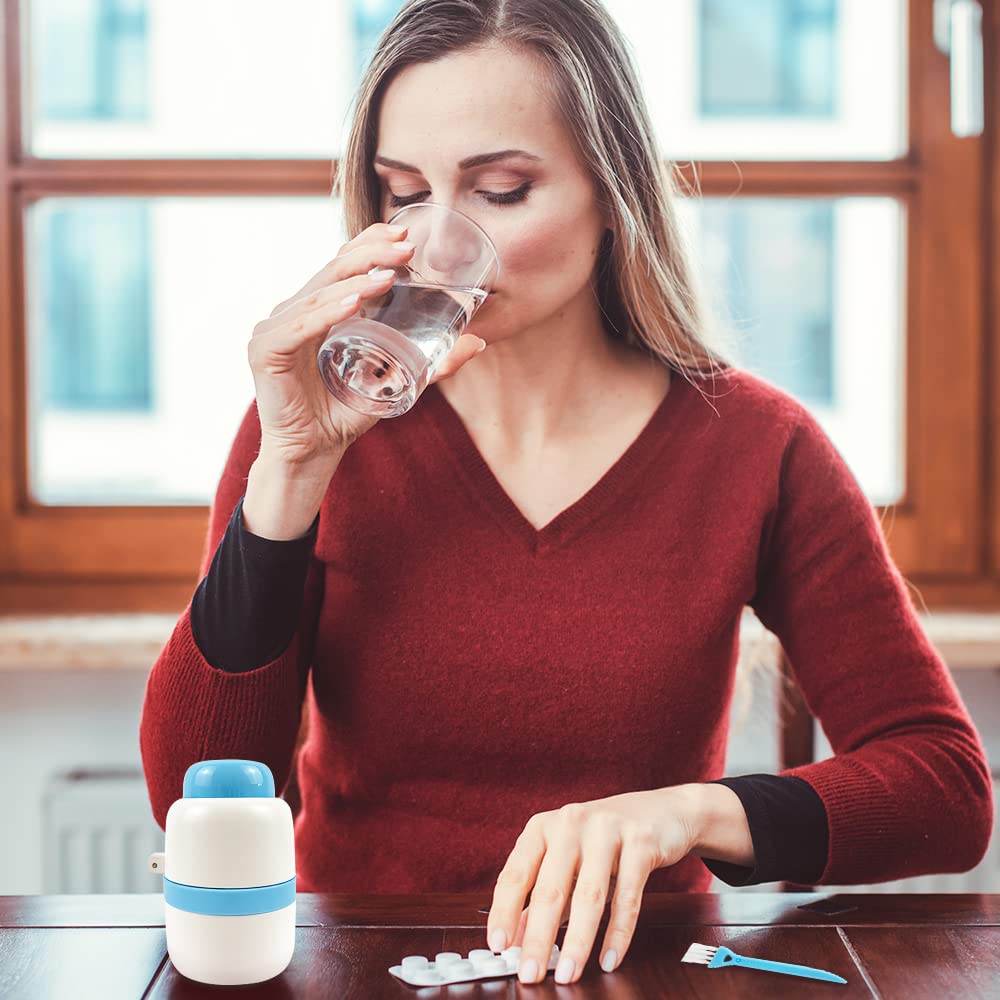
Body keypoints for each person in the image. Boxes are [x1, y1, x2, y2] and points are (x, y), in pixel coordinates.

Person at [139, 0, 993, 986]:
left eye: (500, 189)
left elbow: (945, 785)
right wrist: (287, 473)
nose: (432, 239)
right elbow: (187, 796)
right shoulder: (318, 432)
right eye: (402, 192)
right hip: (366, 966)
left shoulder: (757, 448)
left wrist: (690, 809)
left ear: (609, 189)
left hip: (638, 971)